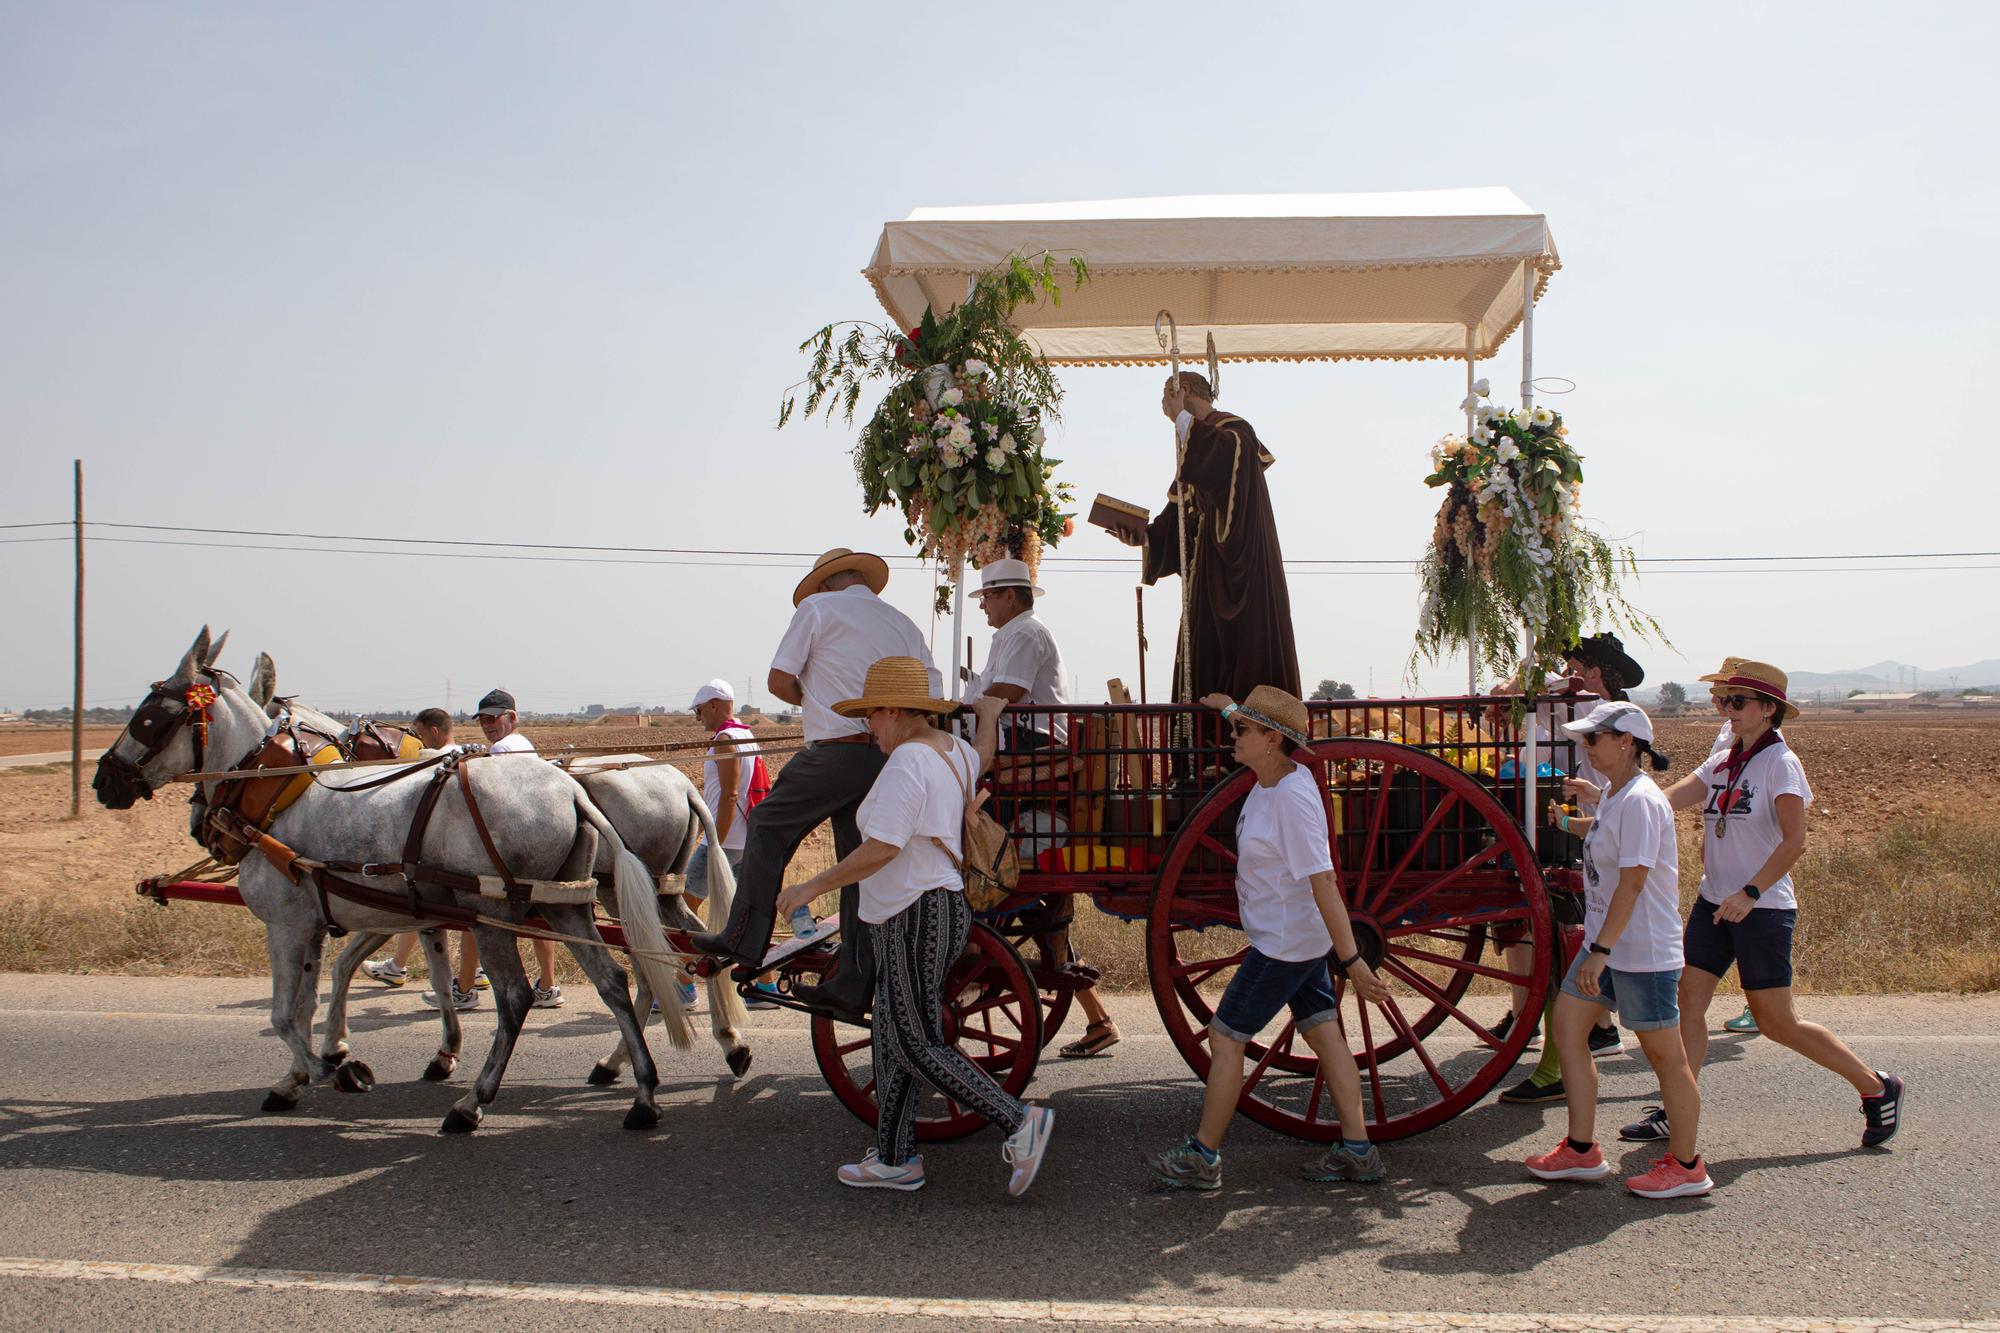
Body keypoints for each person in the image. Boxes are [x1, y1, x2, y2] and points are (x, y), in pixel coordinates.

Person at [774, 660, 1054, 1195]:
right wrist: (990, 715)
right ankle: (895, 1157)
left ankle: (1020, 1122)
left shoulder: (906, 763)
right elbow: (985, 756)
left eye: (872, 715)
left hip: (912, 912)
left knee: (914, 1040)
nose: (869, 727)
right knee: (891, 1033)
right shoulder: (952, 754)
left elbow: (882, 847)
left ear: (896, 711)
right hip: (939, 910)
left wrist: (811, 887)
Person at [1622, 660, 1907, 1150]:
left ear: (1768, 709)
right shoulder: (1725, 759)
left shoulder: (1780, 763)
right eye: (1722, 701)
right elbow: (1669, 799)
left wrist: (1750, 893)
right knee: (1687, 1000)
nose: (1725, 710)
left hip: (1762, 908)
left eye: (1737, 702)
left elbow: (1795, 841)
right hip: (1715, 902)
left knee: (1777, 1022)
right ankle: (1676, 1107)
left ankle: (1877, 1086)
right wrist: (1616, 805)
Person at [1145, 686, 1390, 1191]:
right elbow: (1252, 728)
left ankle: (1204, 1157)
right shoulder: (1274, 775)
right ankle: (1359, 1152)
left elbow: (1323, 880)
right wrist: (1229, 708)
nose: (1232, 738)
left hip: (1284, 943)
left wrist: (1351, 959)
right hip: (1296, 936)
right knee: (1325, 1033)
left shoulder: (1292, 800)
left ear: (1273, 739)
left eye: (1242, 731)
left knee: (1225, 1036)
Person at [694, 549, 942, 1019]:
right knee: (856, 867)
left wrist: (813, 694)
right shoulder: (902, 621)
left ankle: (743, 937)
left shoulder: (817, 609)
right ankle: (853, 980)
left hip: (835, 749)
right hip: (888, 753)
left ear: (826, 584)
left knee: (768, 823)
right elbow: (928, 684)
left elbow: (778, 680)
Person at [1524, 701, 1712, 1199]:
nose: (1586, 747)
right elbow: (1605, 836)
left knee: (1664, 1057)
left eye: (1593, 739)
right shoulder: (1614, 794)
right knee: (1567, 1028)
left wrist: (1600, 950)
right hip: (1607, 944)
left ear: (1626, 742)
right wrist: (1570, 824)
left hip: (1639, 949)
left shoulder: (1642, 801)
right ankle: (1582, 1151)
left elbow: (1632, 882)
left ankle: (1688, 1165)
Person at [962, 559, 1116, 1059]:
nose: (983, 605)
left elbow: (1002, 695)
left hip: (1033, 739)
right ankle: (1097, 1019)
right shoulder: (1013, 633)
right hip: (1023, 735)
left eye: (986, 597)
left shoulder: (1025, 633)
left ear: (1008, 595)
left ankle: (973, 863)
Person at [1494, 634, 1638, 1102]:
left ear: (1595, 671)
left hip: (1586, 832)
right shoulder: (1572, 705)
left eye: (1576, 664)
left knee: (1572, 936)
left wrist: (1589, 813)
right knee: (1572, 939)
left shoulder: (1601, 714)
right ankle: (1574, 1041)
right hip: (1575, 826)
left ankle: (1569, 1052)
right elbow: (1511, 691)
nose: (1570, 670)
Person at [1108, 372, 1300, 702]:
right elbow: (1177, 525)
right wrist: (1142, 537)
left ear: (1182, 391)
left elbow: (1223, 461)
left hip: (1239, 581)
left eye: (1167, 397)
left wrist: (1182, 416)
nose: (1164, 407)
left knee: (1241, 663)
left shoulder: (1235, 434)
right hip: (1204, 587)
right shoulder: (1199, 453)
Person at [431, 688, 562, 1011]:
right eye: (484, 720)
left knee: (474, 912)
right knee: (537, 920)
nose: (488, 725)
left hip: (507, 848)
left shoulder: (502, 749)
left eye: (494, 718)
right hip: (533, 845)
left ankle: (464, 988)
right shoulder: (524, 745)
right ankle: (547, 985)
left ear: (512, 718)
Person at [363, 708, 481, 993]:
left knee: (415, 905)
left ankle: (397, 967)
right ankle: (402, 966)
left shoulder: (434, 761)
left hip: (439, 850)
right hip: (459, 847)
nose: (418, 741)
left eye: (419, 734)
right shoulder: (467, 755)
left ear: (435, 732)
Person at [687, 678, 781, 1008]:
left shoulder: (726, 740)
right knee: (743, 914)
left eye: (699, 711)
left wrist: (714, 845)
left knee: (683, 906)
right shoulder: (745, 733)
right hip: (746, 840)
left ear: (714, 705)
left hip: (725, 841)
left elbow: (729, 796)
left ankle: (683, 987)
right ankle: (766, 988)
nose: (698, 718)